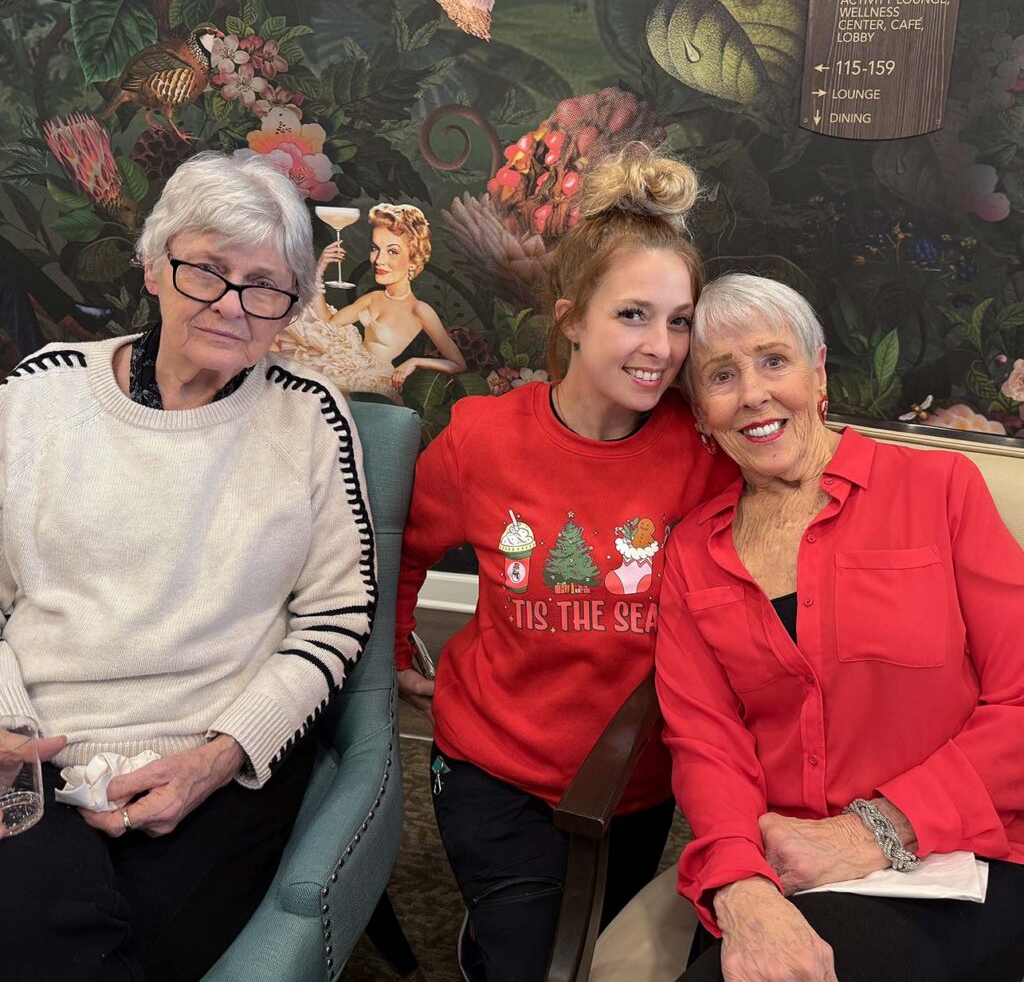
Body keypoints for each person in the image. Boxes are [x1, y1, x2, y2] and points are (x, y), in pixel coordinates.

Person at [0, 151, 377, 981]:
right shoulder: (39, 394)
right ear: (153, 265)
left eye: (266, 286)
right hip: (32, 754)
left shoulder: (311, 417)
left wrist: (221, 758)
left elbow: (337, 617)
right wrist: (13, 736)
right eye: (206, 270)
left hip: (206, 769)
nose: (234, 306)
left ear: (291, 308)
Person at [395, 148, 738, 981]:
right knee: (528, 959)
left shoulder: (702, 453)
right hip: (489, 764)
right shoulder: (482, 437)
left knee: (595, 950)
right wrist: (393, 656)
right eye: (632, 316)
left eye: (680, 319)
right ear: (571, 319)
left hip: (631, 782)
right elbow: (397, 556)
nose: (661, 347)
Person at [655, 273, 1024, 982]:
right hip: (786, 864)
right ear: (700, 411)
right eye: (722, 376)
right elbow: (706, 745)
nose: (754, 393)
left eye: (773, 360)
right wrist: (741, 887)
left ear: (817, 370)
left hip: (956, 860)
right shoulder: (692, 555)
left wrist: (876, 831)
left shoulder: (940, 491)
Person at [276, 202, 467, 400]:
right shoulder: (373, 298)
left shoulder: (420, 310)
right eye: (376, 248)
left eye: (392, 251)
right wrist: (320, 268)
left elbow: (458, 364)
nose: (379, 260)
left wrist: (414, 362)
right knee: (297, 327)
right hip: (345, 364)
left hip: (372, 382)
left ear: (413, 259)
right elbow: (327, 323)